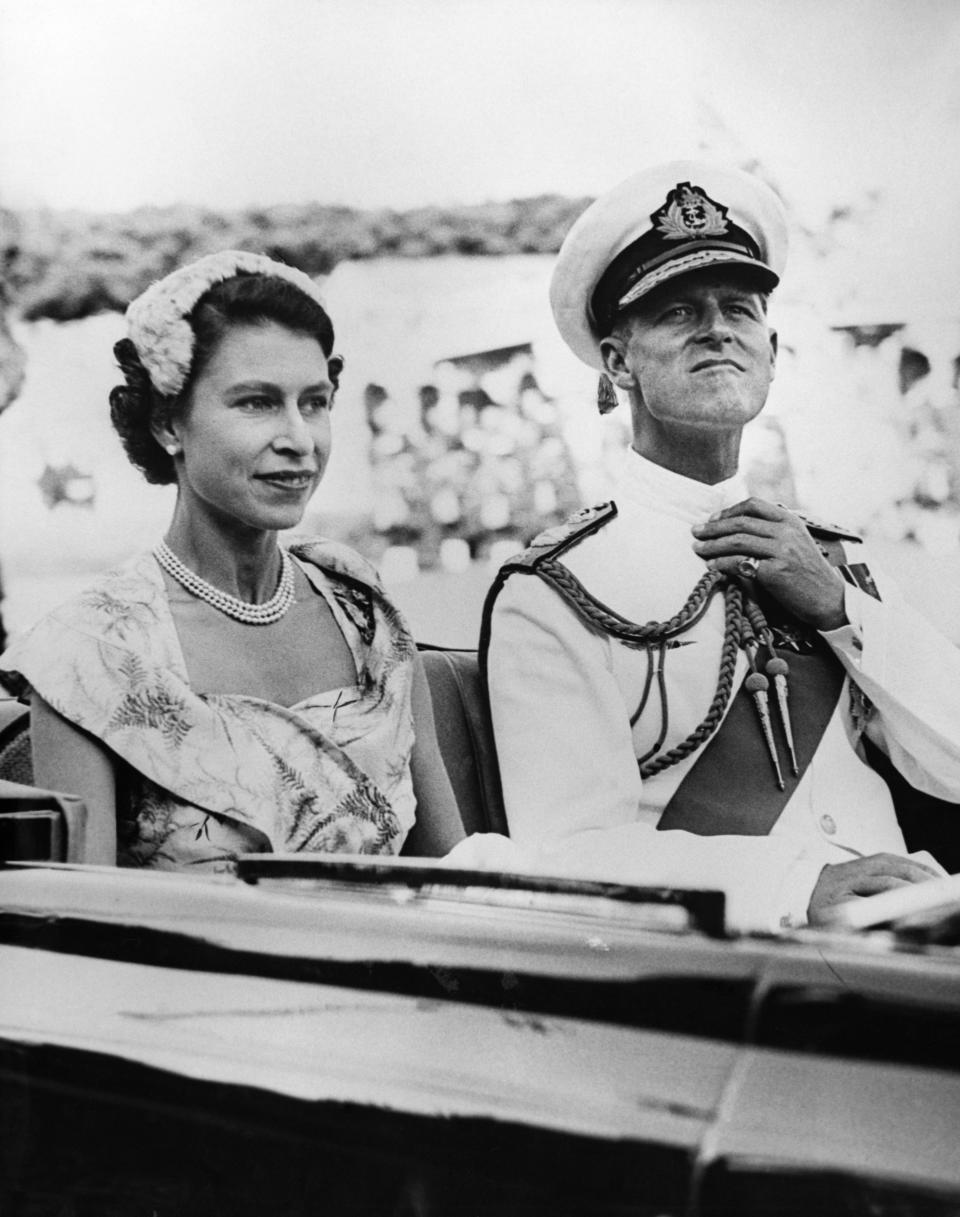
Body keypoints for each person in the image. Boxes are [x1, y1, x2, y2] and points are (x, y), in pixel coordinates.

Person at [482, 162, 960, 933]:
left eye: (739, 306)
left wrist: (842, 609)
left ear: (771, 349)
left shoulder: (835, 560)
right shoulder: (556, 586)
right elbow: (568, 851)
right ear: (616, 361)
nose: (717, 327)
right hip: (735, 976)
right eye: (677, 311)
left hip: (915, 949)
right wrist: (798, 884)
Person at [0, 250, 464, 869]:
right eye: (256, 402)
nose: (299, 439)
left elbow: (456, 868)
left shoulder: (361, 606)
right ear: (169, 423)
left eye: (316, 402)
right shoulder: (89, 653)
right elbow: (89, 925)